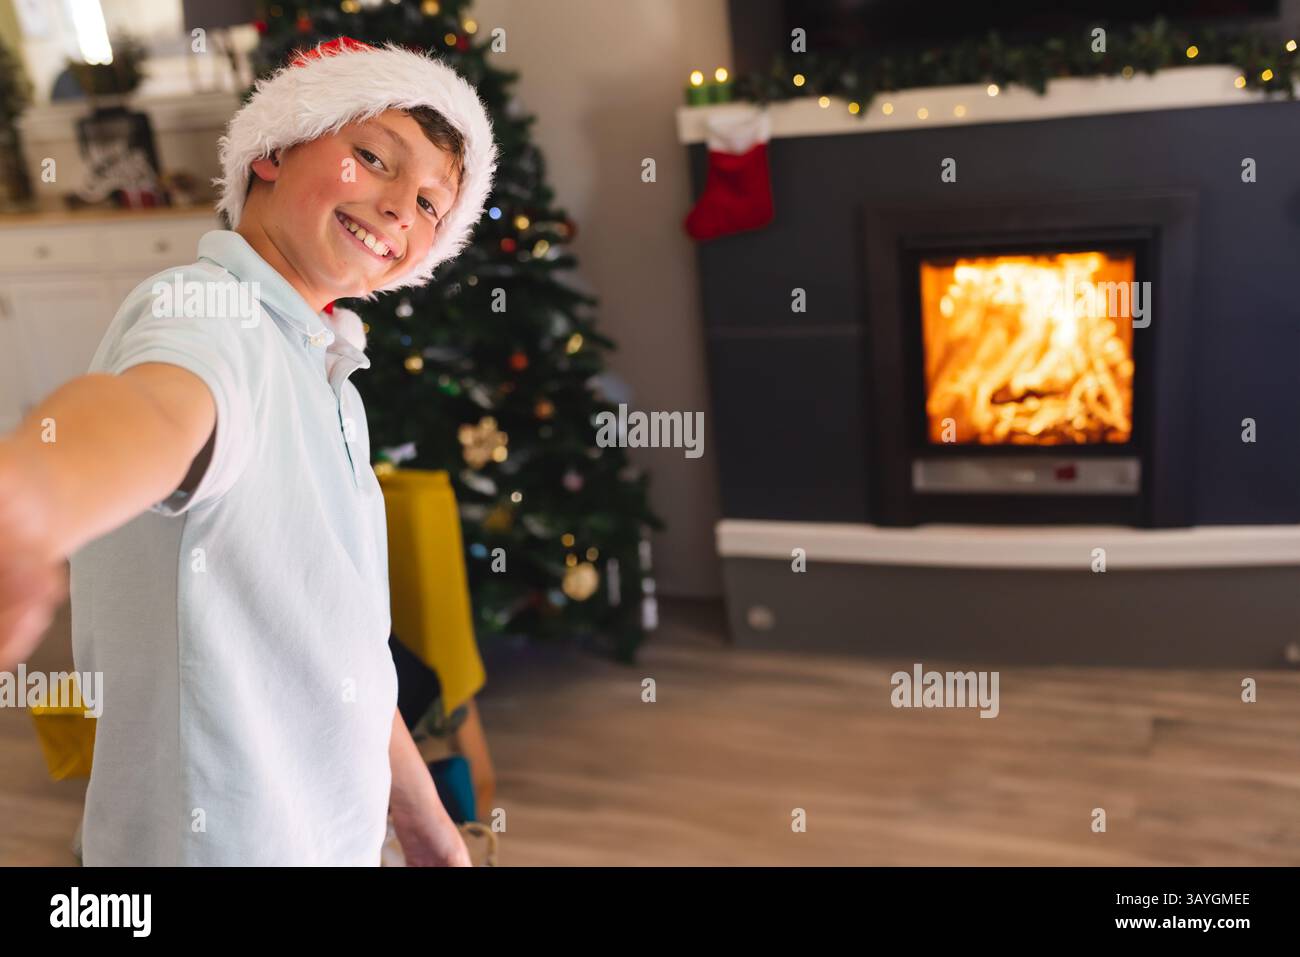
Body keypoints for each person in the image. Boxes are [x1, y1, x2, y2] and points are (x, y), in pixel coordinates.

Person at [0, 37, 498, 865]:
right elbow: (152, 411)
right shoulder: (207, 312)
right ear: (272, 151)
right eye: (375, 158)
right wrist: (31, 500)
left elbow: (340, 640)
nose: (398, 210)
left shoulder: (328, 372)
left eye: (428, 206)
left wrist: (424, 826)